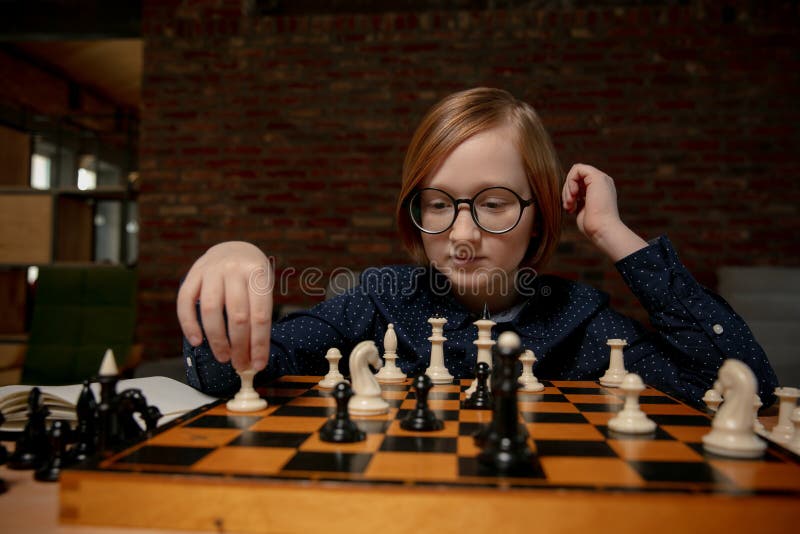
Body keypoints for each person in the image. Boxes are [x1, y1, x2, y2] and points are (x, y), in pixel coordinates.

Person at [177, 87, 778, 407]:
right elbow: (229, 374)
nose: (461, 235)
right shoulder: (377, 302)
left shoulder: (583, 324)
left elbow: (741, 385)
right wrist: (234, 259)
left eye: (493, 204)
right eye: (438, 204)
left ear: (540, 216)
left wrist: (614, 236)